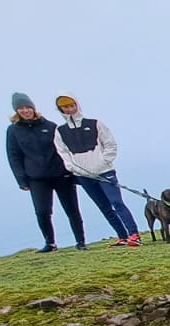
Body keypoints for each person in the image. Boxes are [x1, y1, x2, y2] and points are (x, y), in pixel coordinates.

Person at [52, 94, 141, 247]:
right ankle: (122, 237)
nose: (69, 109)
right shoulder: (60, 131)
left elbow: (110, 144)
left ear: (77, 105)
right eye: (65, 107)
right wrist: (72, 167)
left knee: (116, 202)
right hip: (83, 176)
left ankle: (134, 235)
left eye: (71, 105)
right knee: (104, 207)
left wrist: (104, 161)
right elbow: (63, 152)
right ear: (61, 110)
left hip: (105, 172)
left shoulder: (95, 124)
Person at [6, 93, 85, 252]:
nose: (25, 110)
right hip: (36, 178)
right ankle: (50, 243)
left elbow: (66, 150)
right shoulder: (13, 130)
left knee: (72, 209)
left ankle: (81, 242)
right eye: (21, 108)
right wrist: (22, 180)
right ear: (17, 111)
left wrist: (74, 172)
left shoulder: (50, 126)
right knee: (42, 211)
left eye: (28, 107)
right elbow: (13, 156)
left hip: (62, 175)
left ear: (34, 108)